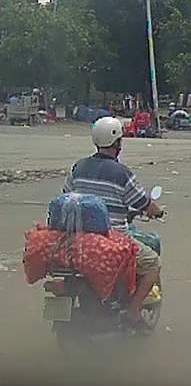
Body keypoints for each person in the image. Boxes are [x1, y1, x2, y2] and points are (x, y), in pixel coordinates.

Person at [63, 117, 164, 326]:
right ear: (117, 143)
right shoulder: (122, 173)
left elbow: (66, 195)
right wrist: (156, 211)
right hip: (112, 238)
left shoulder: (78, 167)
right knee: (153, 263)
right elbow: (142, 202)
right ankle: (133, 312)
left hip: (78, 236)